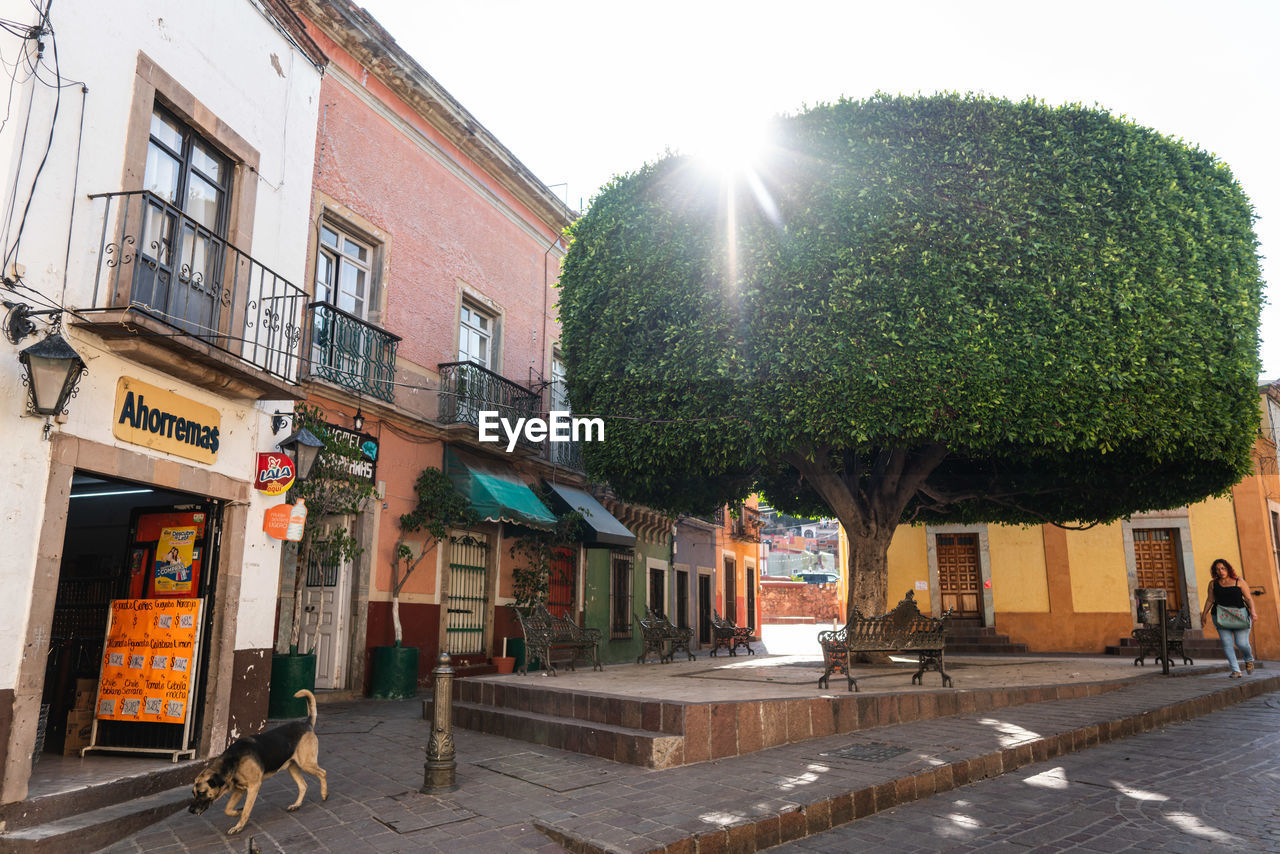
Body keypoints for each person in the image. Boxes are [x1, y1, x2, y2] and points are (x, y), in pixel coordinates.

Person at [1200, 558, 1258, 677]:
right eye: (1217, 569)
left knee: (1242, 643)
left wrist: (1253, 612)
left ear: (1228, 569)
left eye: (1223, 568)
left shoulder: (1239, 581)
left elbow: (1248, 598)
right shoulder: (1213, 584)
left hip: (1240, 616)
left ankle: (1248, 658)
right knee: (1227, 643)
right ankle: (1236, 670)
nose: (1221, 571)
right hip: (1220, 617)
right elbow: (1210, 599)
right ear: (1214, 571)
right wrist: (1204, 614)